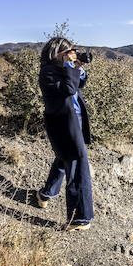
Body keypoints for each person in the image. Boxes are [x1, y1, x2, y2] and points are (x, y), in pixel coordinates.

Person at [34, 37, 94, 230]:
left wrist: (78, 66)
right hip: (62, 122)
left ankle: (46, 194)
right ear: (55, 52)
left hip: (74, 119)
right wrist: (70, 65)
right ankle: (79, 218)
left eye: (71, 51)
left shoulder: (64, 69)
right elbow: (69, 88)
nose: (70, 54)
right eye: (66, 52)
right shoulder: (48, 72)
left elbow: (80, 83)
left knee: (64, 157)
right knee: (77, 160)